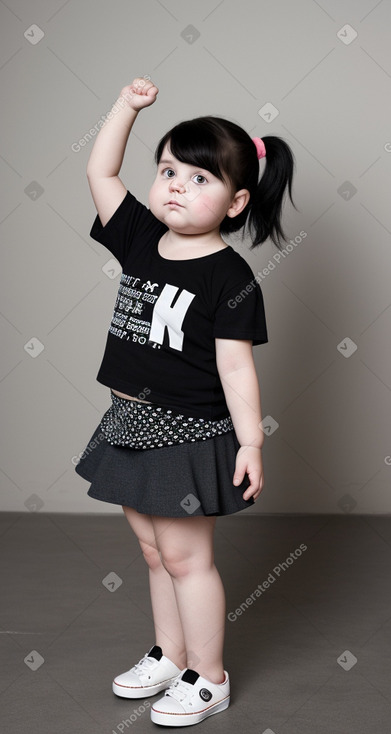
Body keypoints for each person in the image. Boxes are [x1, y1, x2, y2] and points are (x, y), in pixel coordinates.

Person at [75, 77, 295, 727]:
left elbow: (235, 367)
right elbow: (99, 167)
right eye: (168, 169)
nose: (175, 184)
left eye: (199, 179)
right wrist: (127, 108)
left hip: (188, 430)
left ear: (235, 202)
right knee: (152, 551)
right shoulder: (139, 236)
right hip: (127, 418)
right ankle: (170, 656)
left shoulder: (229, 277)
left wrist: (252, 442)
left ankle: (210, 675)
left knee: (185, 557)